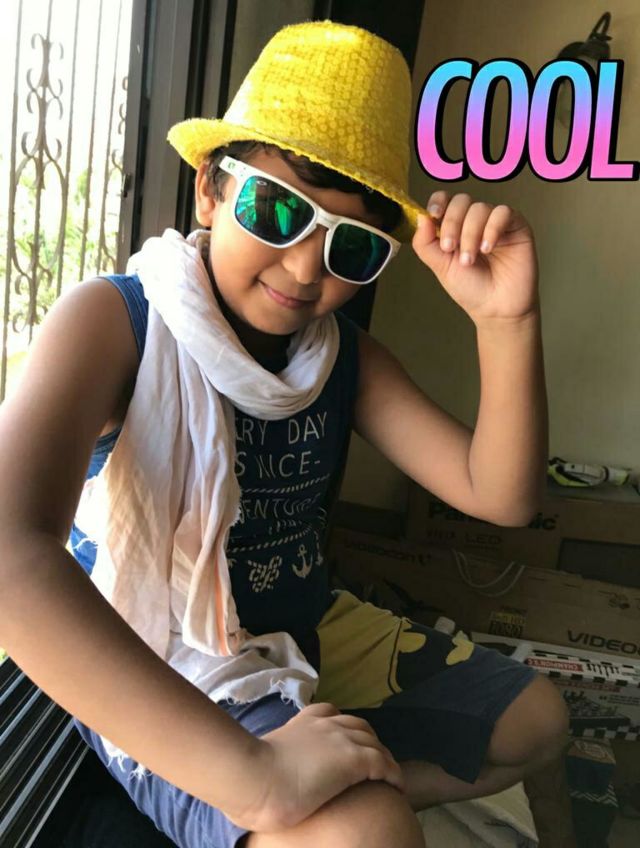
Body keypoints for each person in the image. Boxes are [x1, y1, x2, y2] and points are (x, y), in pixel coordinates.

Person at [0, 20, 568, 848]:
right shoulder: (116, 322)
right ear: (209, 190)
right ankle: (297, 799)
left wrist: (507, 321)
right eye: (275, 210)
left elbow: (502, 497)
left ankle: (332, 775)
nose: (306, 269)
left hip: (301, 622)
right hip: (169, 647)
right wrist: (259, 779)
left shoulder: (340, 360)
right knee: (367, 832)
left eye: (353, 247)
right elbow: (10, 554)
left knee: (536, 721)